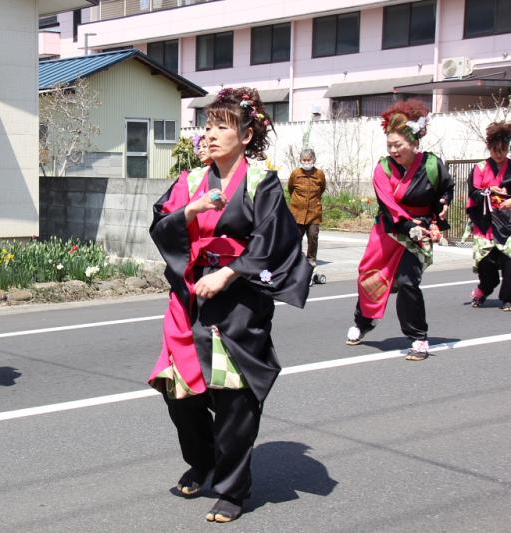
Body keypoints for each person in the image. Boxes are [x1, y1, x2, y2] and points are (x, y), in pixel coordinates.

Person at [149, 88, 311, 523]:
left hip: (237, 299)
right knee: (180, 392)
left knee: (234, 396)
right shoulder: (189, 182)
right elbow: (161, 225)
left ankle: (234, 489)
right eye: (207, 125)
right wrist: (192, 209)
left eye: (223, 126)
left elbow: (271, 238)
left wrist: (228, 273)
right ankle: (203, 460)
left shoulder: (262, 180)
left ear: (246, 134)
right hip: (188, 298)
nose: (211, 134)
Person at [345, 100, 453, 361]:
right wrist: (408, 225)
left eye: (398, 146)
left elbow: (445, 189)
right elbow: (388, 204)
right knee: (370, 278)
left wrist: (442, 206)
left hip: (419, 232)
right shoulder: (383, 168)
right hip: (389, 230)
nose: (393, 150)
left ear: (414, 144)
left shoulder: (432, 164)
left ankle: (418, 338)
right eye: (389, 145)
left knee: (407, 283)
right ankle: (364, 320)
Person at [466, 122, 511, 310]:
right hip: (486, 224)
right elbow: (474, 193)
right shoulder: (480, 168)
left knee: (510, 262)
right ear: (489, 148)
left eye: (503, 150)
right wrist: (488, 191)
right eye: (495, 150)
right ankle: (484, 288)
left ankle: (508, 298)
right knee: (486, 265)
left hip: (508, 223)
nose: (499, 155)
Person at [288, 148, 326, 266]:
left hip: (314, 212)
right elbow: (290, 189)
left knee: (313, 236)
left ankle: (311, 259)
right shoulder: (296, 173)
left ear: (313, 159)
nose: (306, 162)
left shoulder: (319, 174)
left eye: (308, 160)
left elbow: (322, 189)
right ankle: (295, 258)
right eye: (303, 160)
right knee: (296, 237)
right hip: (297, 212)